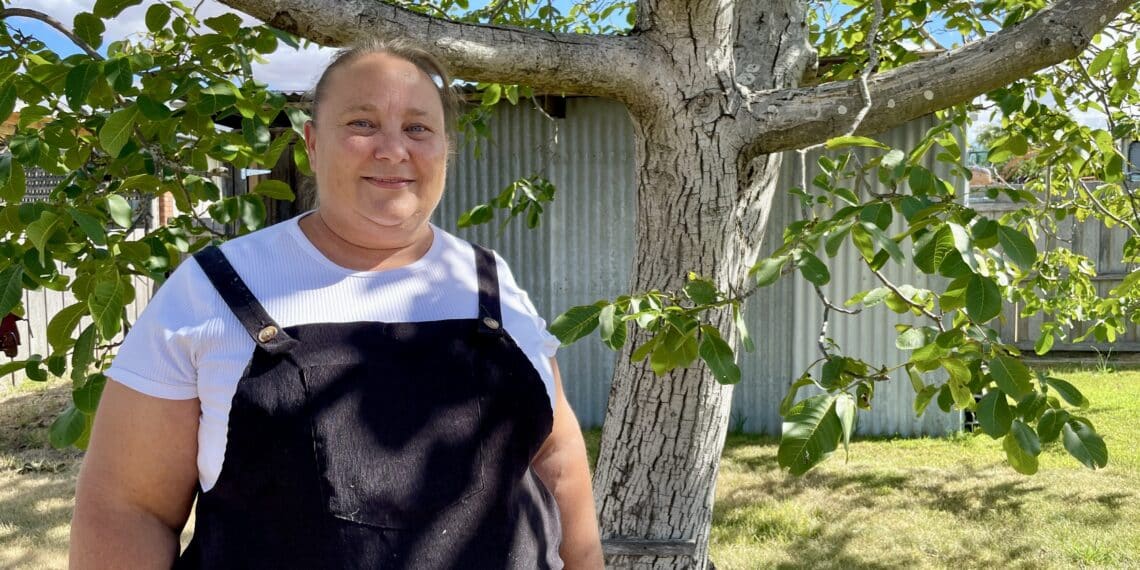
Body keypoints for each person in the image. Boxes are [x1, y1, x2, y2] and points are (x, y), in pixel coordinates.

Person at [69, 38, 604, 569]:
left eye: (418, 128)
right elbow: (126, 508)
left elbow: (556, 460)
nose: (393, 149)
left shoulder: (491, 281)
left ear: (445, 148)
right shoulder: (212, 290)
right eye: (362, 124)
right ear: (312, 143)